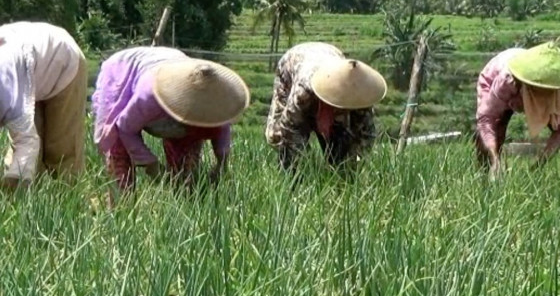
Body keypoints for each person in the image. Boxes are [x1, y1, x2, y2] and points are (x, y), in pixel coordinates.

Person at [92, 46, 250, 199]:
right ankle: (121, 209)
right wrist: (150, 164)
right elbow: (125, 128)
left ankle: (185, 198)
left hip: (171, 63)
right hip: (123, 72)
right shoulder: (149, 96)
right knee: (119, 154)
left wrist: (221, 165)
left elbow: (222, 128)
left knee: (186, 168)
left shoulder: (214, 100)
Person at [475, 41, 560, 179]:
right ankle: (488, 177)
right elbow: (487, 120)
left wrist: (540, 164)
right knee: (491, 132)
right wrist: (494, 158)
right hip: (496, 78)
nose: (544, 93)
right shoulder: (508, 80)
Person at [265, 41, 387, 172]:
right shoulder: (303, 92)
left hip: (331, 55)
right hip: (294, 62)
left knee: (343, 142)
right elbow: (289, 129)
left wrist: (352, 164)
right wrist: (304, 167)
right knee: (277, 136)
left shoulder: (361, 95)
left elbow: (366, 135)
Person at [0, 21, 88, 189]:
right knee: (24, 161)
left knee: (61, 151)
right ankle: (29, 206)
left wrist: (13, 181)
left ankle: (70, 203)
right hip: (30, 67)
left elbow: (26, 140)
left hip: (63, 59)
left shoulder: (6, 88)